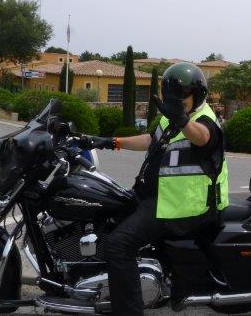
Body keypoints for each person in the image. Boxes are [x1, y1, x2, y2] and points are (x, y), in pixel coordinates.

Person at [79, 62, 229, 316]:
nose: (177, 100)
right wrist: (109, 141)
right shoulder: (171, 117)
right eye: (171, 94)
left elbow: (202, 137)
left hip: (181, 207)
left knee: (118, 245)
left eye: (183, 94)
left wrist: (182, 120)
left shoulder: (204, 121)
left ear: (198, 95)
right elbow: (151, 140)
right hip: (159, 199)